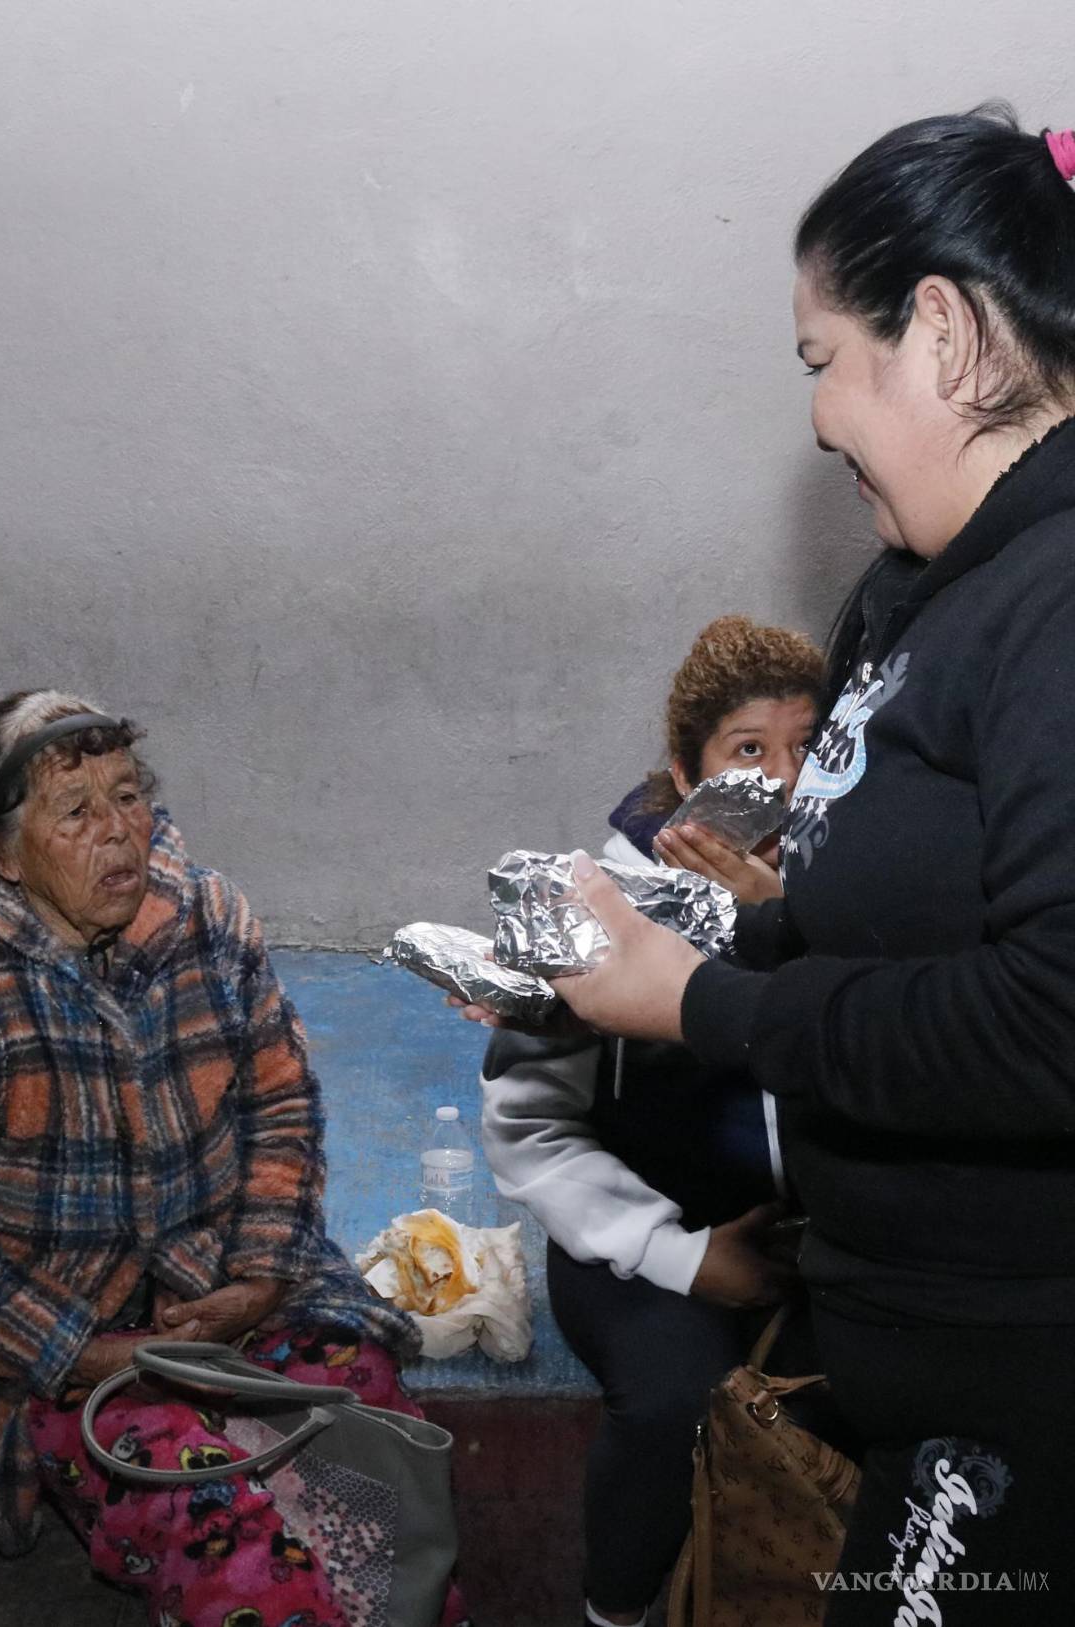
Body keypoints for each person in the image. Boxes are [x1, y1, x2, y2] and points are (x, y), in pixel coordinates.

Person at [480, 107, 1075, 1622]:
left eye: (822, 358)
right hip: (908, 1348)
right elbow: (897, 923)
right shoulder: (921, 589)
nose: (815, 416)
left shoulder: (1056, 606)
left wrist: (697, 1000)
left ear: (941, 331)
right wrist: (697, 937)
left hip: (1024, 1374)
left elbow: (1047, 1021)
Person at [0, 690, 468, 1627]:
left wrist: (262, 1278)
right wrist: (83, 1351)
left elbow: (282, 1103)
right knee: (222, 1537)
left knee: (377, 1459)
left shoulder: (208, 918)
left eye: (127, 795)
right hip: (57, 1341)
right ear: (1, 849)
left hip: (226, 1287)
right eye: (75, 813)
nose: (119, 833)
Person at [480, 615, 822, 1627]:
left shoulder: (858, 889)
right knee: (678, 1403)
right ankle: (617, 1610)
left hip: (815, 1230)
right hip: (641, 1239)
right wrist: (683, 1258)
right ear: (685, 771)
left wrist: (790, 933)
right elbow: (527, 1128)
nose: (785, 782)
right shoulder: (600, 910)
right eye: (749, 752)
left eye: (809, 749)